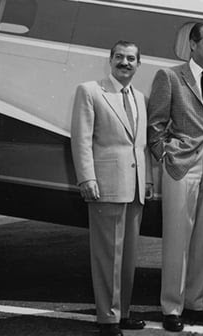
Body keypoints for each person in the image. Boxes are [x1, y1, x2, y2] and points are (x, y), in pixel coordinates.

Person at [147, 22, 203, 332]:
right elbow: (156, 125)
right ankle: (172, 307)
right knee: (178, 238)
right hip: (181, 165)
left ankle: (195, 302)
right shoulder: (169, 77)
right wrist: (166, 157)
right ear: (192, 45)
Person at [71, 41, 152, 336]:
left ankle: (124, 312)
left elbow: (140, 146)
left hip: (135, 189)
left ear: (138, 64)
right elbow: (81, 139)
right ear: (110, 60)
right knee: (107, 256)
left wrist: (149, 180)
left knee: (128, 257)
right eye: (119, 57)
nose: (125, 63)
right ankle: (107, 318)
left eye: (131, 58)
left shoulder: (140, 98)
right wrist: (87, 178)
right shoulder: (91, 91)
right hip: (105, 185)